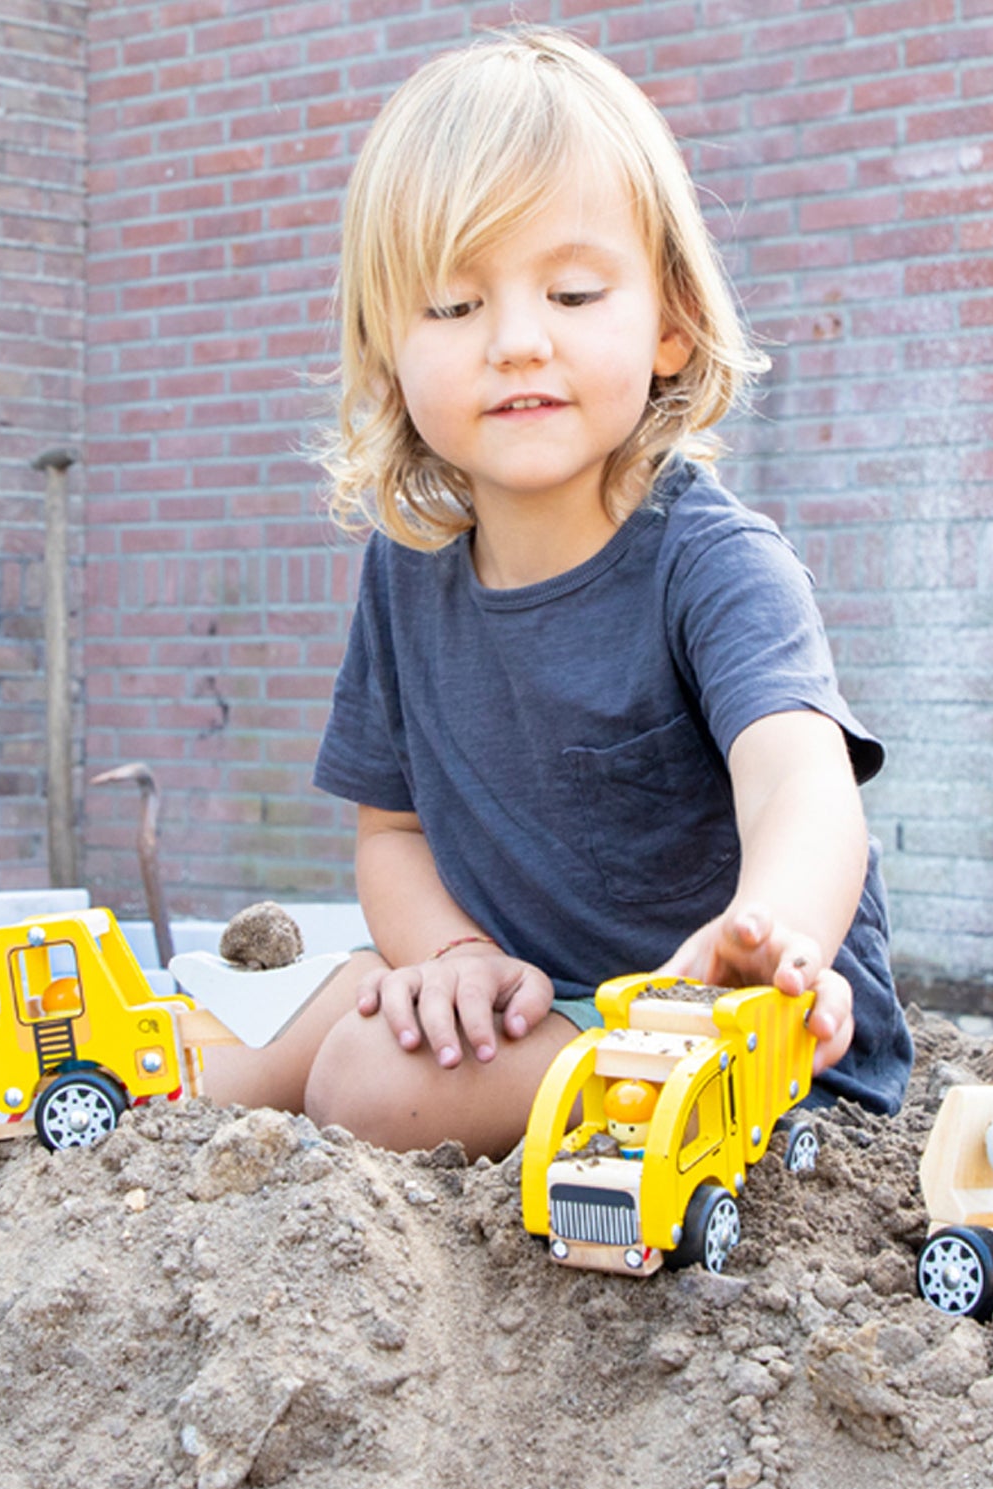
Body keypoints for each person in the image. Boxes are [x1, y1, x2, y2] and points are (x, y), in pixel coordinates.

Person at [203, 27, 913, 1158]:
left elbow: (801, 785)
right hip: (542, 999)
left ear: (671, 324)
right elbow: (391, 834)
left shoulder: (715, 564)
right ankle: (117, 1107)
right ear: (387, 353)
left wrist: (767, 936)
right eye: (453, 307)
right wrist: (453, 958)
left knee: (367, 1077)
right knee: (306, 1012)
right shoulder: (406, 571)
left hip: (740, 1046)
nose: (518, 342)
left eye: (573, 293)